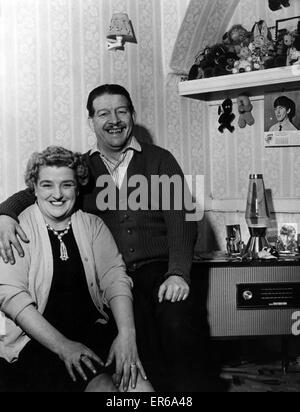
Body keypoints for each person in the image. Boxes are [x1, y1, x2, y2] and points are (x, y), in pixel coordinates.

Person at [0, 84, 219, 391]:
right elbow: (42, 190)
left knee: (178, 321)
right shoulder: (83, 167)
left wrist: (179, 273)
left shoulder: (158, 160)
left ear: (132, 115)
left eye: (121, 111)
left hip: (158, 270)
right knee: (135, 331)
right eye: (103, 113)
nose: (113, 119)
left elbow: (182, 220)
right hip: (110, 276)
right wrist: (5, 214)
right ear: (91, 121)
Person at [0, 146, 153, 393]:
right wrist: (64, 347)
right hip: (39, 343)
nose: (58, 194)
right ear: (34, 188)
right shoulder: (16, 229)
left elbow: (115, 278)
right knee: (104, 387)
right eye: (47, 185)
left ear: (78, 187)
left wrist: (126, 334)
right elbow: (12, 298)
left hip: (93, 333)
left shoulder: (93, 225)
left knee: (142, 390)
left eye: (67, 185)